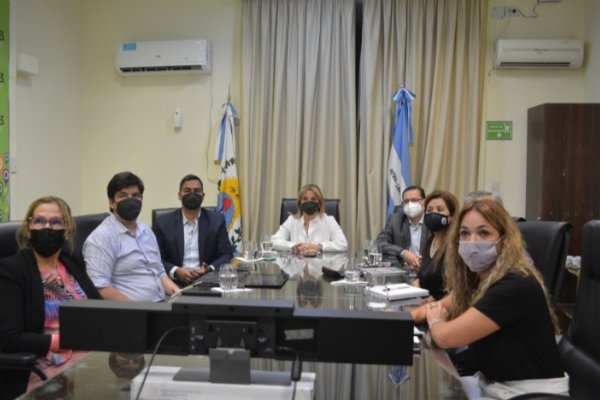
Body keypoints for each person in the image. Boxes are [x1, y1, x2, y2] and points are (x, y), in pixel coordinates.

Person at [411, 198, 568, 398]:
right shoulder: (479, 278)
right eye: (464, 233)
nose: (471, 241)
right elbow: (436, 307)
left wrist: (436, 320)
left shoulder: (514, 285)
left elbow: (445, 337)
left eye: (483, 233)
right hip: (494, 382)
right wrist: (397, 318)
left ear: (504, 240)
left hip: (528, 393)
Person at [0, 196, 101, 399]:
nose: (46, 228)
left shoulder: (70, 262)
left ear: (68, 230)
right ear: (29, 228)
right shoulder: (12, 270)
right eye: (39, 221)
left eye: (55, 222)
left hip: (90, 359)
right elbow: (8, 338)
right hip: (47, 366)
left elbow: (97, 308)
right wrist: (61, 340)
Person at [83, 171, 179, 301]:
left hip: (161, 306)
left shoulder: (146, 230)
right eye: (123, 196)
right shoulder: (101, 238)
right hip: (131, 314)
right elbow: (101, 288)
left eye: (135, 195)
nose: (130, 200)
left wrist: (181, 296)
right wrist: (136, 310)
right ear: (112, 202)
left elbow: (160, 273)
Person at [153, 174, 233, 286]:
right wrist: (176, 271)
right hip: (173, 283)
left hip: (207, 282)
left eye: (197, 191)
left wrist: (208, 269)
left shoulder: (216, 221)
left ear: (203, 195)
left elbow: (226, 254)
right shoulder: (163, 223)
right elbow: (155, 258)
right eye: (187, 190)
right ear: (179, 195)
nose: (192, 194)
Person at [272, 183, 348, 254]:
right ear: (299, 202)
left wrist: (317, 247)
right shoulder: (292, 220)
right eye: (305, 199)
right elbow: (274, 241)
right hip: (297, 267)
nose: (309, 202)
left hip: (320, 266)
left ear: (319, 203)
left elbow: (343, 244)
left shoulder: (329, 221)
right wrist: (294, 247)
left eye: (313, 199)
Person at [411, 190, 459, 300]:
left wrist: (432, 300)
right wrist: (416, 283)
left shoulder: (456, 244)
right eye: (429, 210)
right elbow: (422, 276)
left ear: (451, 217)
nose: (433, 214)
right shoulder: (430, 241)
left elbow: (455, 286)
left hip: (443, 308)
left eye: (440, 209)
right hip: (422, 303)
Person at [375, 185, 431, 270]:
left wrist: (421, 262)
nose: (410, 204)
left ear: (424, 201)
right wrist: (403, 253)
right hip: (403, 271)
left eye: (414, 200)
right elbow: (380, 243)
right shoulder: (395, 219)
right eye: (406, 201)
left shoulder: (432, 220)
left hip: (427, 271)